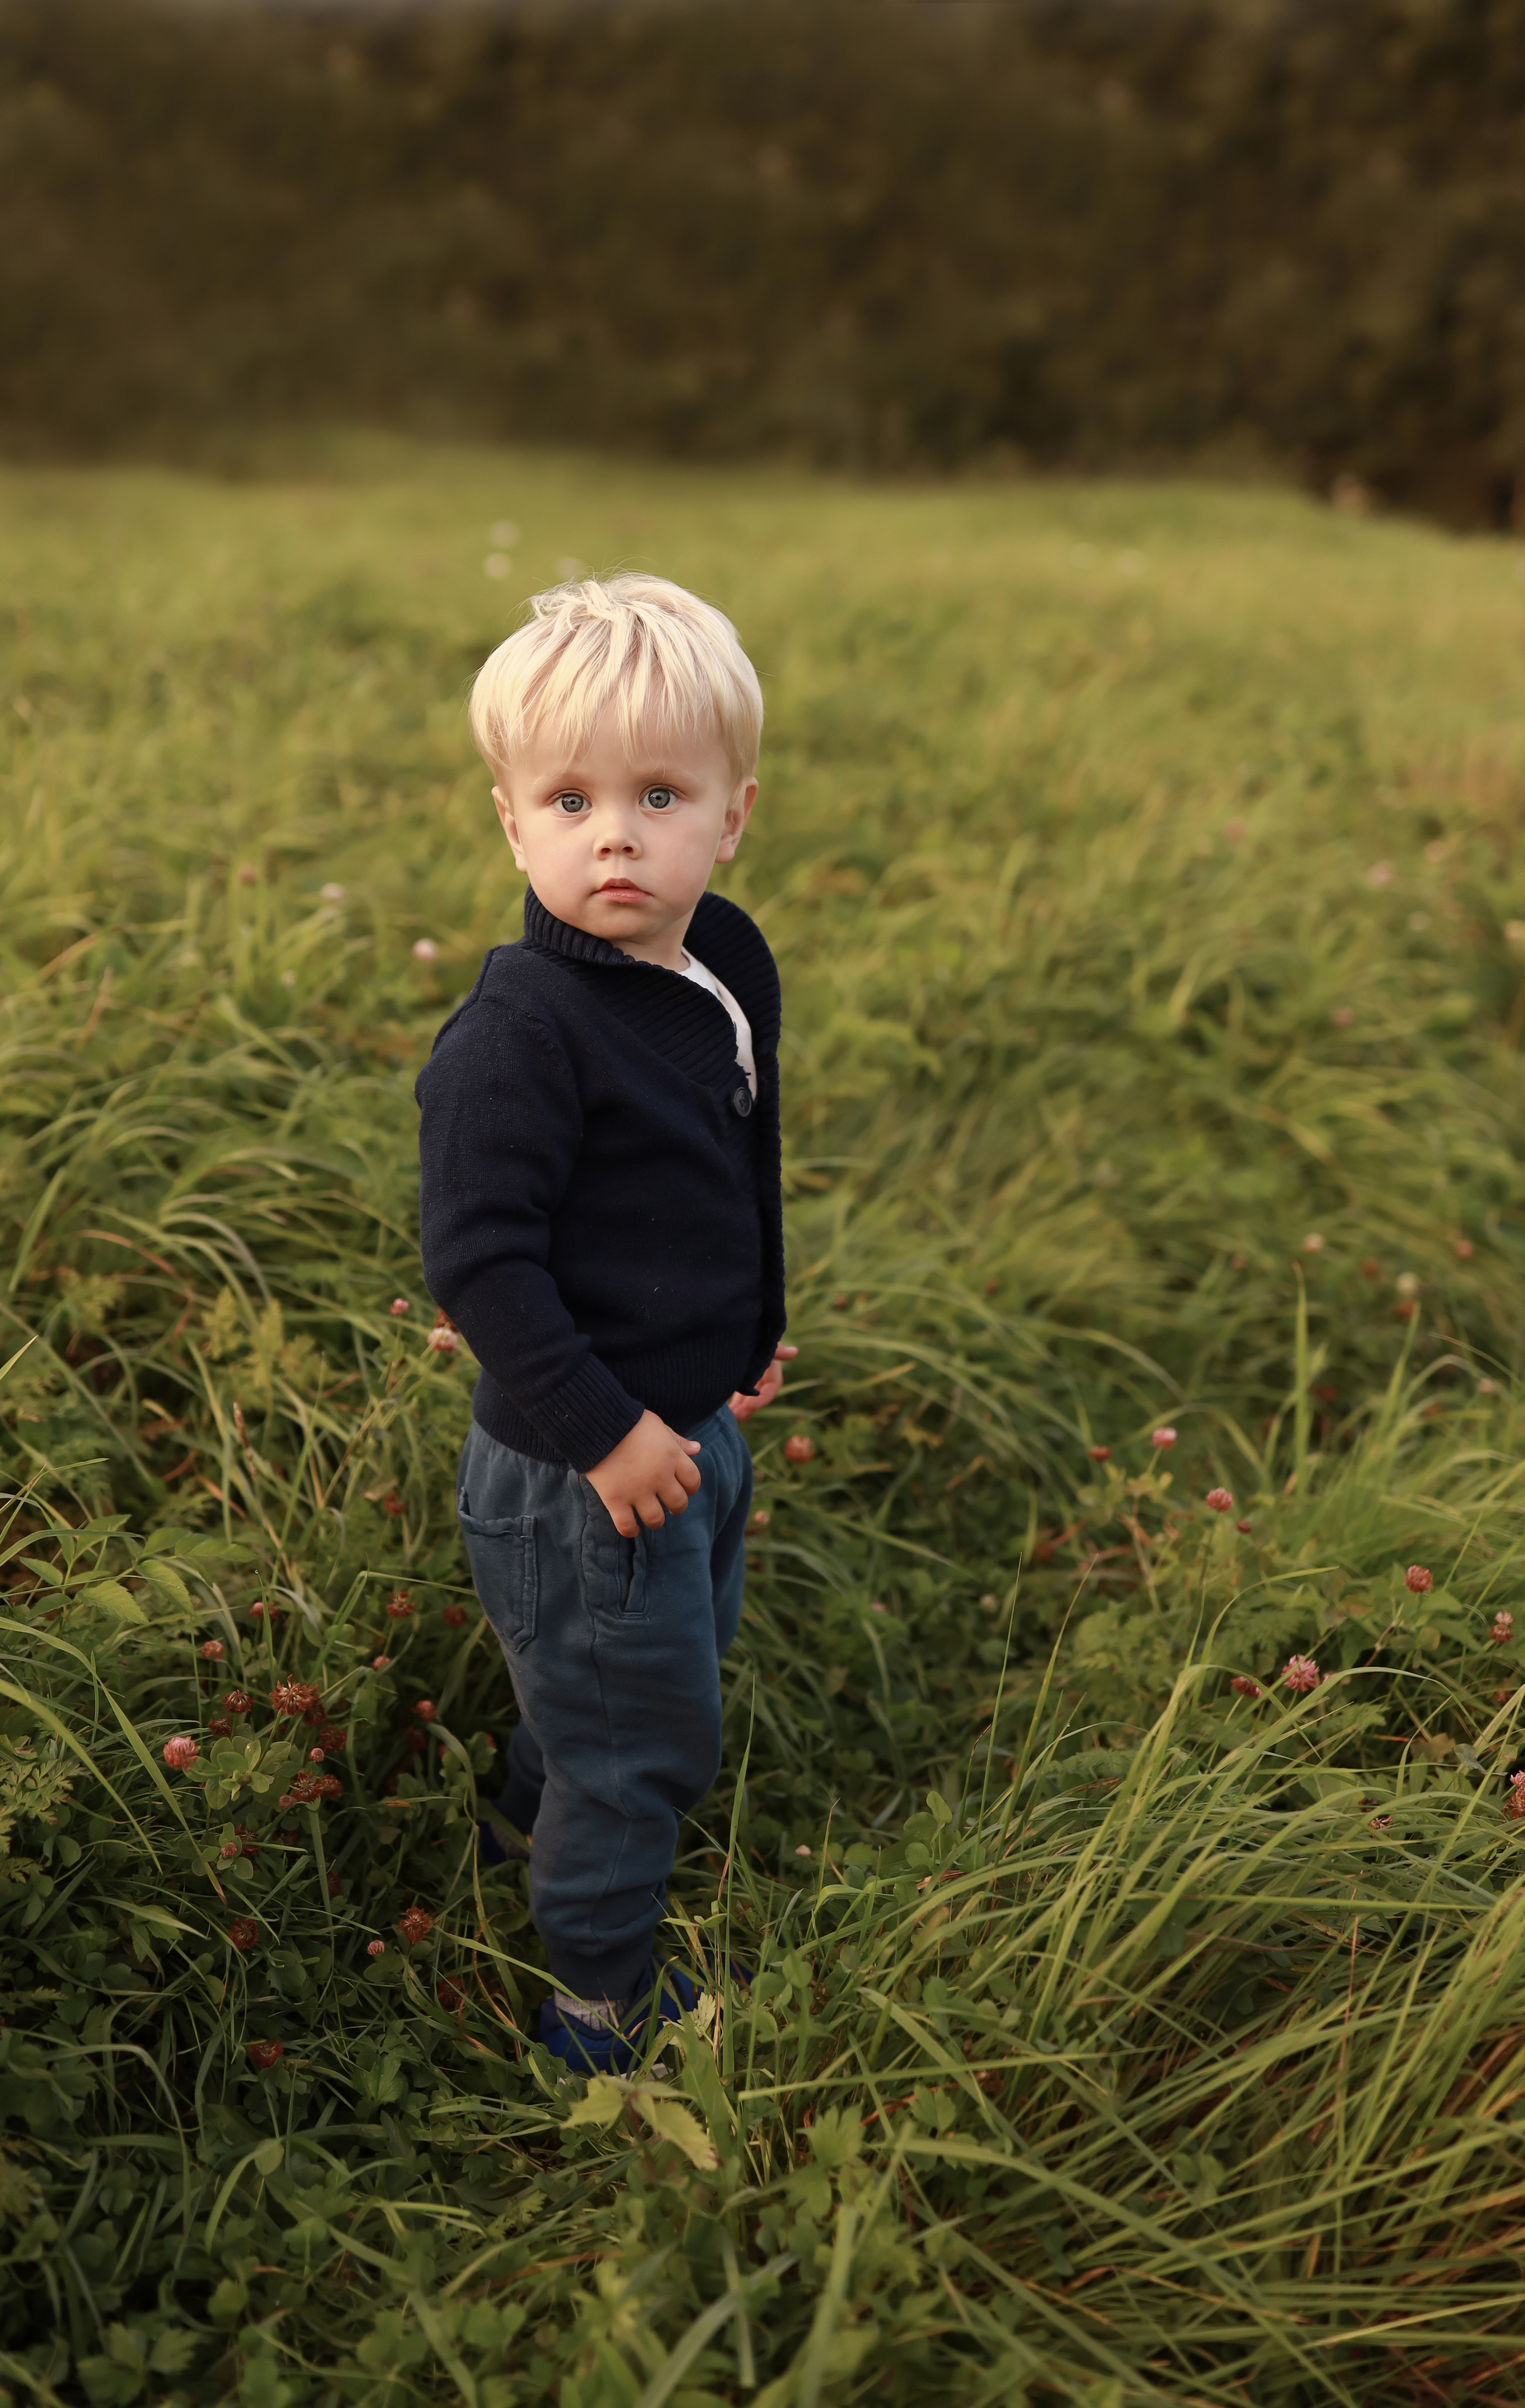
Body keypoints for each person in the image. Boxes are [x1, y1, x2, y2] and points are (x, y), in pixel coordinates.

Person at [416, 573, 794, 2071]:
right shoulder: (517, 1036)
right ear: (513, 822)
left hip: (680, 1421)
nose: (615, 835)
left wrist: (741, 1333)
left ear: (732, 812)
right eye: (567, 801)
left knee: (659, 1659)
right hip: (586, 1466)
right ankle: (597, 2004)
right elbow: (483, 1269)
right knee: (640, 1743)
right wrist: (613, 1432)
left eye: (656, 793)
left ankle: (528, 1796)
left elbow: (726, 1168)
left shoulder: (720, 965)